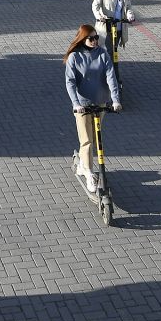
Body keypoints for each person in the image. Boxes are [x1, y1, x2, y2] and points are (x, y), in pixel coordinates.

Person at [64, 24, 122, 195]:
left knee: (95, 138)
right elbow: (70, 82)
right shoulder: (75, 57)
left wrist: (115, 100)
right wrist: (76, 103)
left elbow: (111, 76)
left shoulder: (102, 54)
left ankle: (83, 162)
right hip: (82, 105)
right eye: (91, 38)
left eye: (97, 37)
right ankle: (89, 174)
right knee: (87, 140)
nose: (95, 41)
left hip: (100, 103)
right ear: (83, 39)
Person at [90, 0, 135, 69]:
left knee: (113, 51)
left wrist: (130, 15)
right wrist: (99, 16)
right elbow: (95, 5)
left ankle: (109, 72)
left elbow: (128, 8)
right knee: (109, 51)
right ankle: (112, 73)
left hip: (118, 27)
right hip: (106, 27)